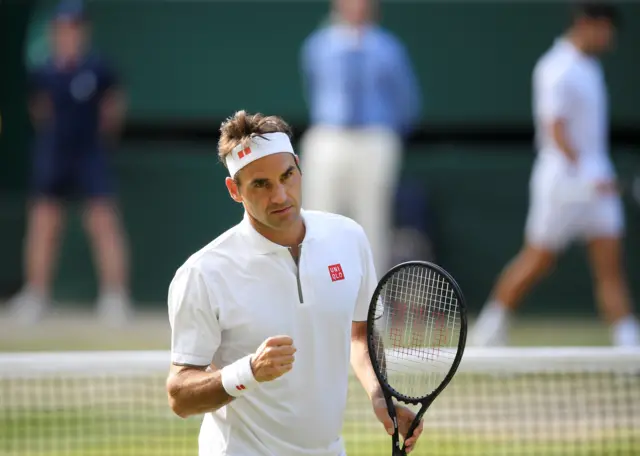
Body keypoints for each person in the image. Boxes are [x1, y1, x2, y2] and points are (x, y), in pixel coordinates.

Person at [165, 111, 424, 455]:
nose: (281, 196)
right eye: (261, 184)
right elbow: (180, 395)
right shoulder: (202, 273)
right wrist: (249, 371)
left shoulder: (349, 238)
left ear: (299, 168)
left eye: (287, 176)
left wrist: (380, 396)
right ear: (234, 190)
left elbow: (359, 334)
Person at [469, 2, 639, 347]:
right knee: (538, 259)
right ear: (586, 25)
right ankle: (490, 330)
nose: (609, 38)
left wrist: (594, 173)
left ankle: (628, 344)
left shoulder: (589, 68)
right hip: (563, 180)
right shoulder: (556, 68)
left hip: (595, 177)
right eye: (605, 29)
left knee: (609, 262)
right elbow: (555, 129)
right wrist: (585, 173)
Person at [7, 0, 132, 326]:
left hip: (91, 154)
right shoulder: (43, 72)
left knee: (103, 222)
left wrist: (96, 144)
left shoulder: (100, 68)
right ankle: (36, 296)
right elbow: (40, 110)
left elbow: (112, 110)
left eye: (75, 27)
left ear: (83, 30)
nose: (70, 33)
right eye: (64, 27)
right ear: (55, 31)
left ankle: (115, 298)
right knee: (44, 223)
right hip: (54, 154)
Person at [299, 0, 421, 274]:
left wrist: (390, 132)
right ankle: (320, 295)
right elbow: (314, 88)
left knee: (373, 219)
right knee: (319, 217)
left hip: (375, 138)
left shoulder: (389, 48)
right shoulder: (318, 45)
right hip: (329, 136)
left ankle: (372, 302)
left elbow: (406, 99)